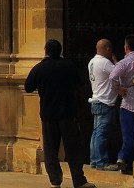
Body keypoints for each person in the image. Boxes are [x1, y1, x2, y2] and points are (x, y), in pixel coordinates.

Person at [24, 40, 95, 188]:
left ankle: (55, 181)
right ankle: (78, 180)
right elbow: (79, 82)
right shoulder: (68, 66)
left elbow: (28, 87)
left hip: (48, 114)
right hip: (68, 113)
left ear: (46, 51)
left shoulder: (40, 68)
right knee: (73, 148)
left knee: (50, 149)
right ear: (60, 50)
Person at [109, 34, 134, 175]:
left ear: (126, 47)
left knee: (128, 134)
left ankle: (123, 157)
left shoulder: (125, 63)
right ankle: (132, 162)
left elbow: (112, 77)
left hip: (128, 101)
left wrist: (118, 89)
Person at [87, 39, 119, 170]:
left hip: (97, 99)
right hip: (104, 102)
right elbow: (119, 73)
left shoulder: (92, 62)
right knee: (102, 133)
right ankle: (101, 161)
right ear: (106, 49)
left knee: (96, 132)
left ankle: (94, 159)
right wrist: (116, 61)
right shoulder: (104, 62)